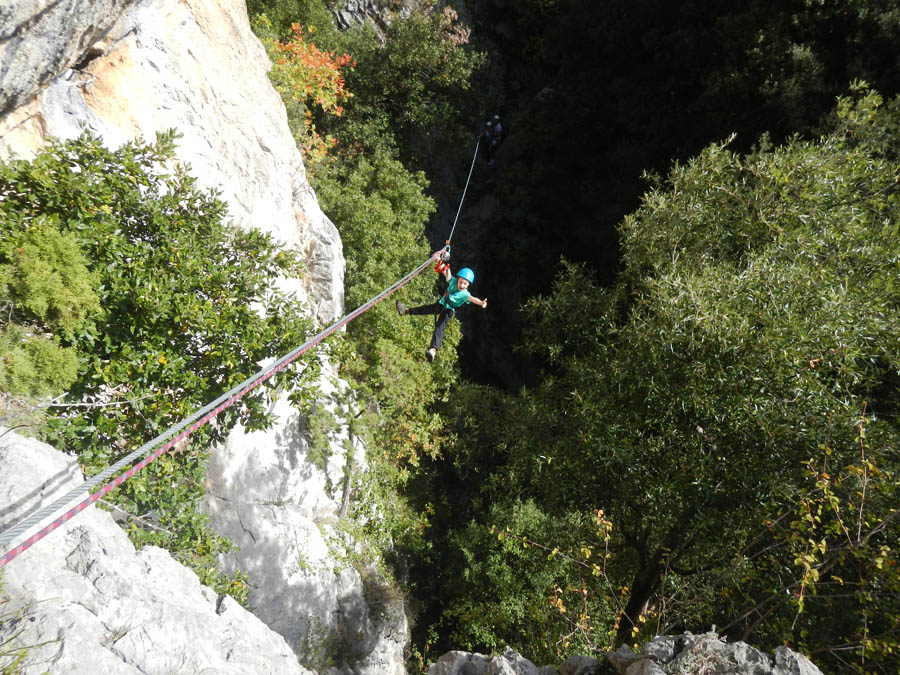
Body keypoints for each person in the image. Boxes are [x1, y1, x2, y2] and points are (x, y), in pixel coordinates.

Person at [396, 257, 487, 362]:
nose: (462, 285)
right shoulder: (453, 281)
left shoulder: (465, 294)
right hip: (441, 305)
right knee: (424, 309)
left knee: (440, 328)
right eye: (461, 282)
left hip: (448, 311)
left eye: (465, 284)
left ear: (468, 285)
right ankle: (405, 311)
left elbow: (473, 299)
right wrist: (439, 259)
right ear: (458, 280)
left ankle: (433, 350)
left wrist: (481, 303)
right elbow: (445, 271)